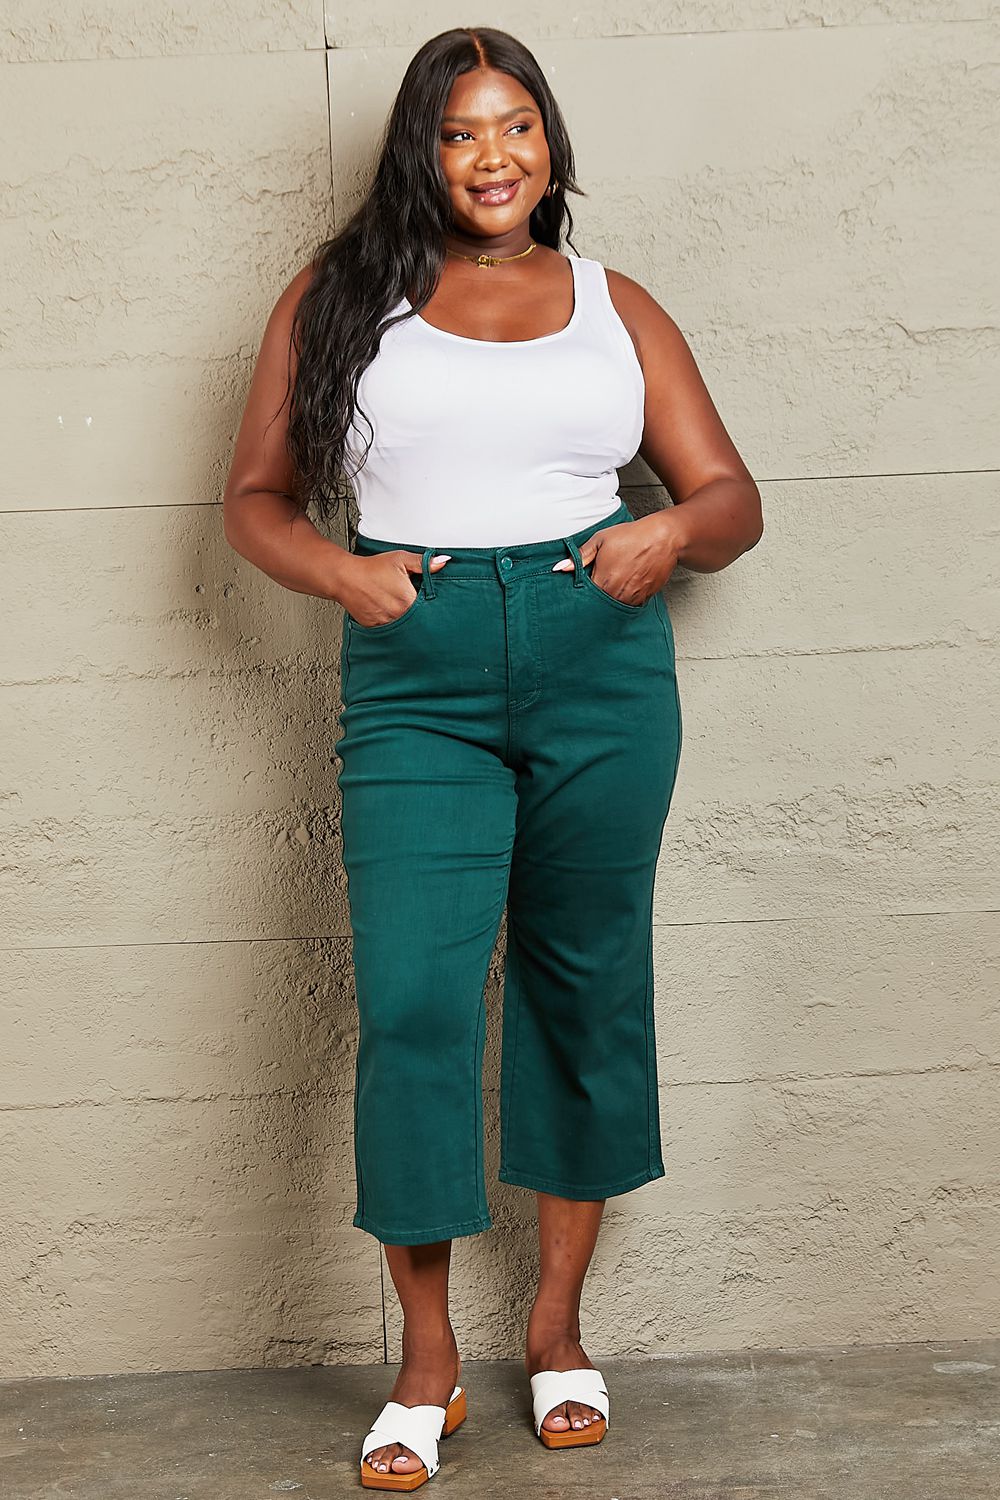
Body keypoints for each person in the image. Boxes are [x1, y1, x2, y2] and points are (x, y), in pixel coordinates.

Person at [223, 24, 762, 1492]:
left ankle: (558, 1331)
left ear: (549, 142)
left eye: (516, 125)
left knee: (584, 990)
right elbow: (256, 502)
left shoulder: (614, 302)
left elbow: (730, 497)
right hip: (416, 673)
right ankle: (426, 1357)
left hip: (599, 661)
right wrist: (343, 578)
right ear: (422, 149)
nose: (494, 157)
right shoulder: (340, 298)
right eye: (461, 132)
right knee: (409, 1007)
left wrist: (668, 529)